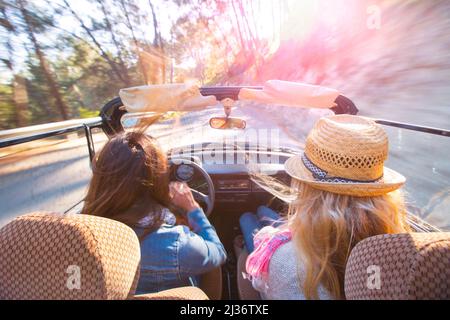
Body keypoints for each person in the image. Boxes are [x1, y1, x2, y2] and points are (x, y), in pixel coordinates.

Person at [240, 115, 411, 300]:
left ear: (307, 188)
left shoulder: (286, 260)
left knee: (247, 219)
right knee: (263, 213)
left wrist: (270, 241)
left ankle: (242, 237)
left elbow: (260, 285)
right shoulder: (401, 254)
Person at [81, 130, 227, 294]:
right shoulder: (176, 243)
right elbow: (218, 252)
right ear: (157, 181)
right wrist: (193, 209)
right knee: (212, 266)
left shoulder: (81, 232)